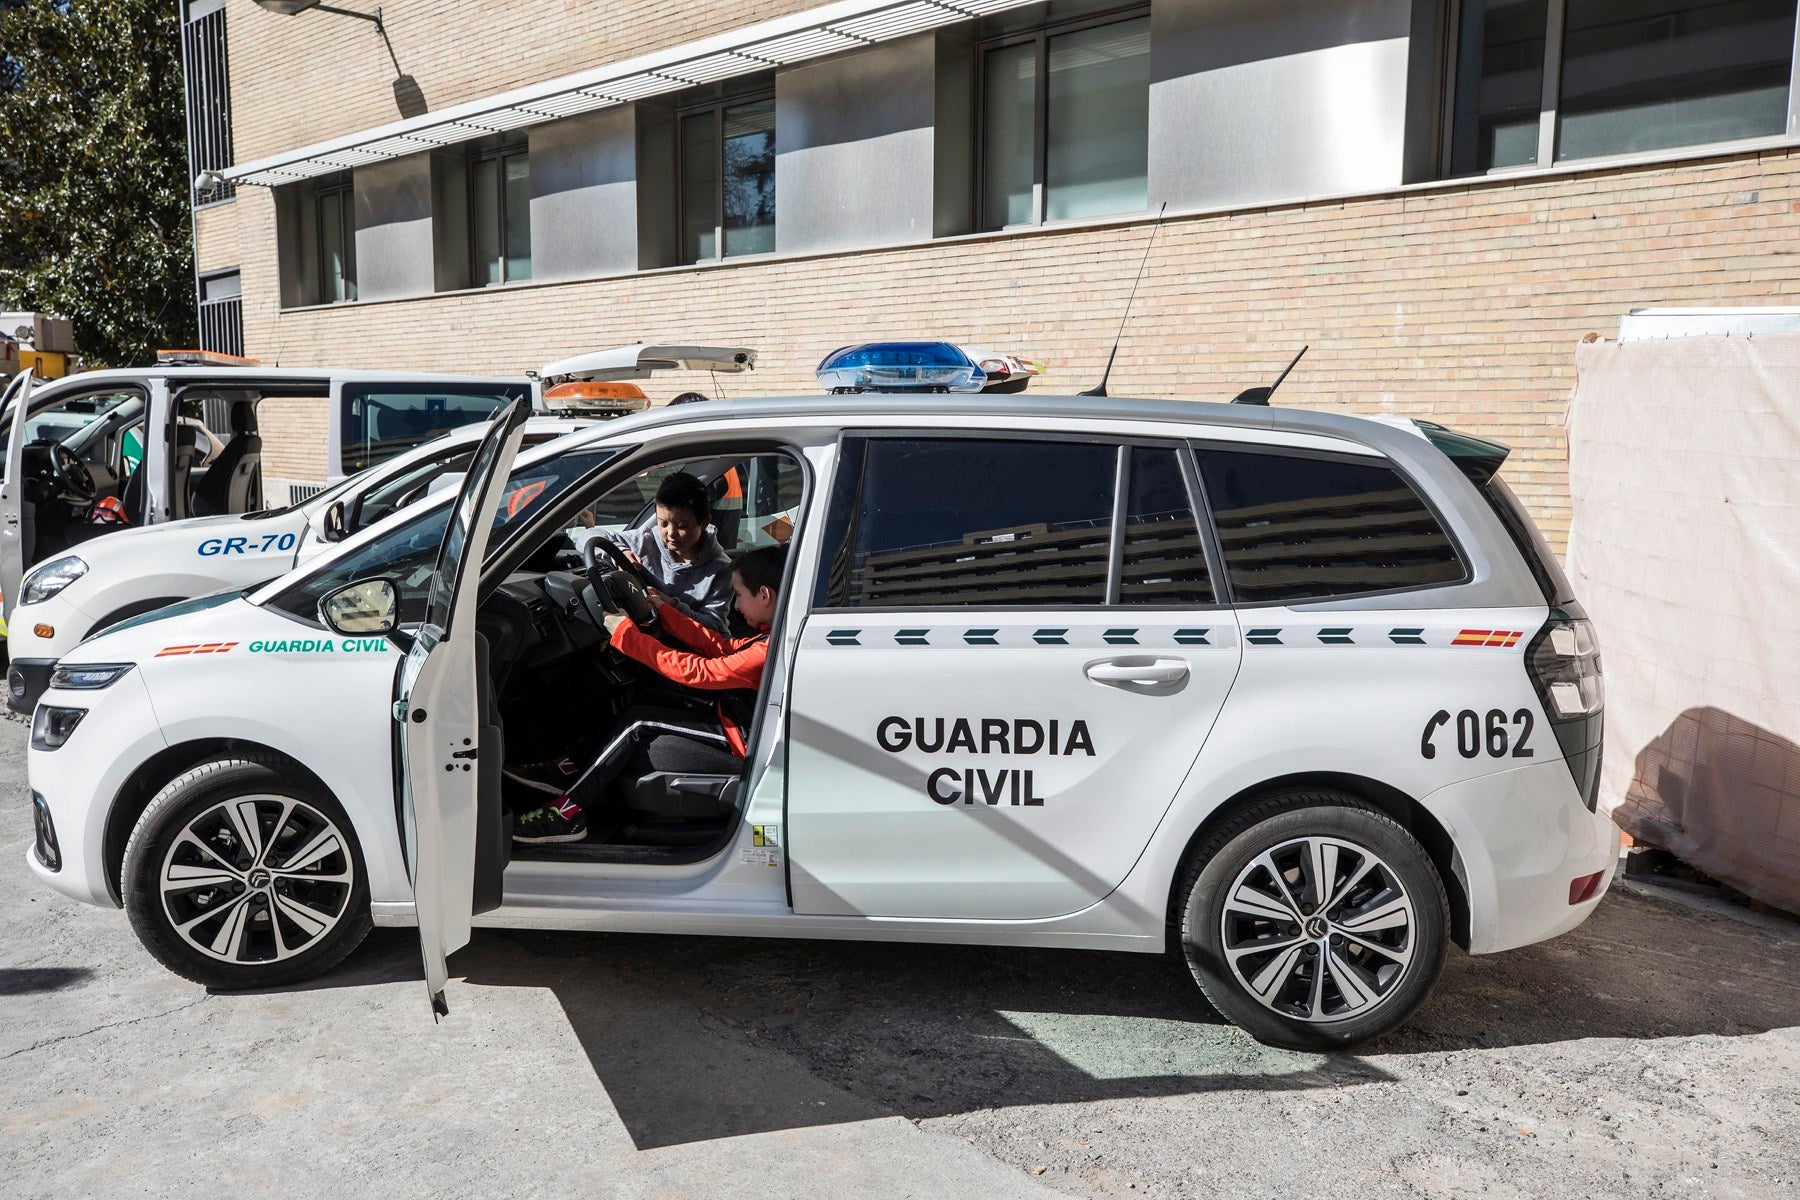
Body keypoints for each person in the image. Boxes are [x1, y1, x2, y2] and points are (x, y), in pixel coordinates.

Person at [511, 544, 787, 844]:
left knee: (638, 722)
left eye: (740, 596)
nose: (735, 606)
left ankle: (567, 813)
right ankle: (571, 768)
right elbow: (721, 647)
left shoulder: (767, 649)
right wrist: (665, 611)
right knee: (644, 700)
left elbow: (700, 671)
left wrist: (626, 636)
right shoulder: (771, 635)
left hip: (743, 738)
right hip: (741, 717)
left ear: (764, 595)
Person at [579, 470, 734, 632]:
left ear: (703, 523)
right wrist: (620, 552)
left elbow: (715, 625)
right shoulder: (645, 541)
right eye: (663, 524)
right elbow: (589, 537)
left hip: (693, 648)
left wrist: (671, 606)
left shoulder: (721, 569)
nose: (671, 533)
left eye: (681, 526)